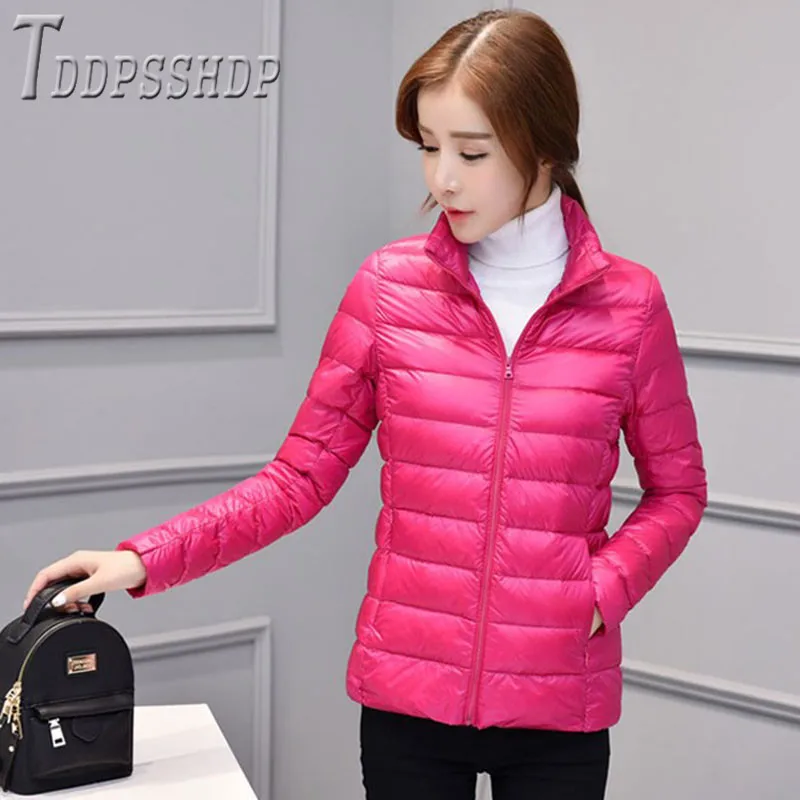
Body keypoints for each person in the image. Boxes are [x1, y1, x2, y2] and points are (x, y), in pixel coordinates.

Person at [23, 9, 707, 800]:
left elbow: (679, 490)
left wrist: (598, 591)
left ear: (546, 146)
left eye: (472, 152)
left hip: (560, 708)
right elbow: (298, 478)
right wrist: (144, 557)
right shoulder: (389, 290)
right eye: (428, 147)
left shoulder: (629, 306)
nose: (442, 179)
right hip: (408, 705)